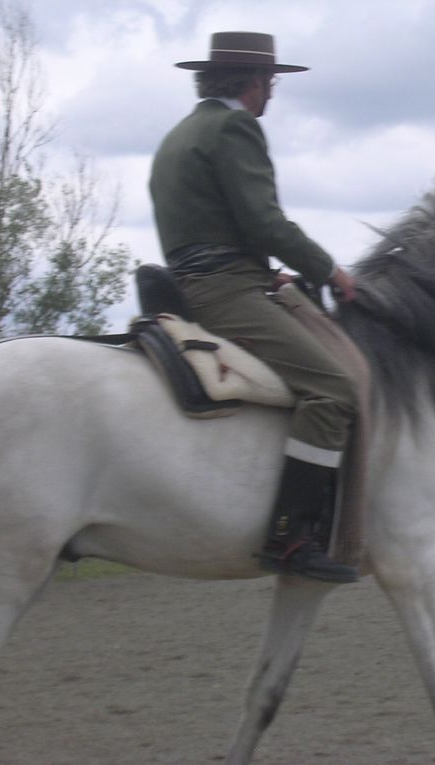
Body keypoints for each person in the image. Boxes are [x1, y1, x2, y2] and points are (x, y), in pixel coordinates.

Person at [149, 31, 359, 583]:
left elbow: (211, 225)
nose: (272, 95)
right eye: (272, 83)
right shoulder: (236, 126)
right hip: (223, 292)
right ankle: (292, 536)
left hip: (196, 279)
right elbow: (267, 223)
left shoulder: (180, 134)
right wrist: (330, 271)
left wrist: (267, 272)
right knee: (335, 389)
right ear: (255, 83)